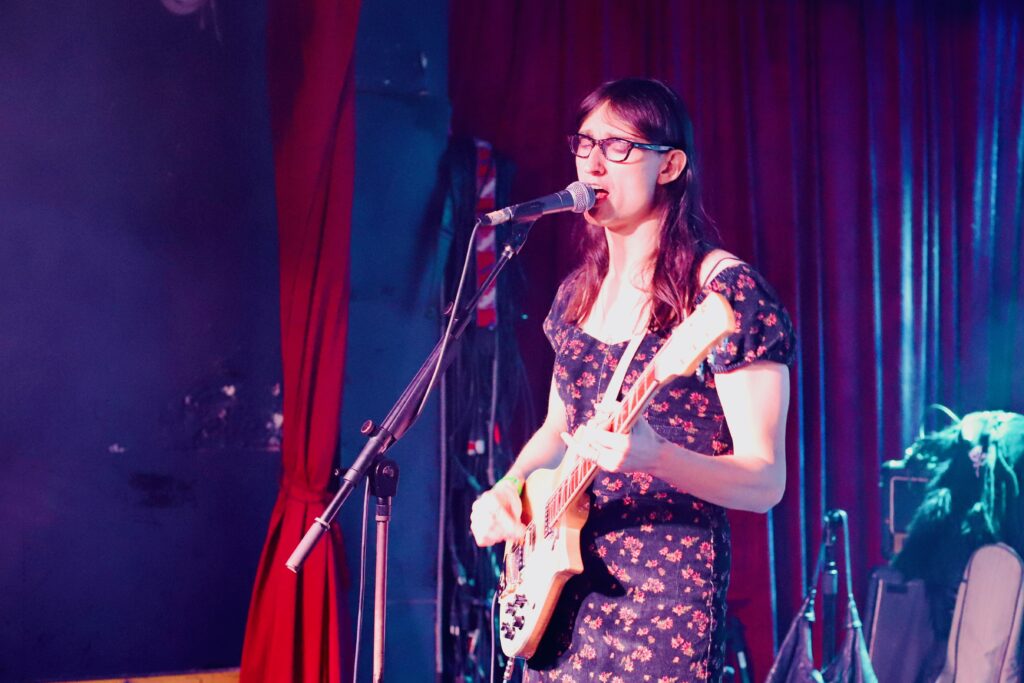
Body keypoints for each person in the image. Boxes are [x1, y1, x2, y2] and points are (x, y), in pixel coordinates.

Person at [470, 77, 795, 682]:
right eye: (585, 142)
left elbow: (765, 481)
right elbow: (558, 430)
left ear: (670, 165)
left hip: (662, 598)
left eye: (619, 146)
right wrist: (508, 488)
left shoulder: (725, 293)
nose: (594, 163)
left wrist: (657, 457)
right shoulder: (576, 293)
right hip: (555, 597)